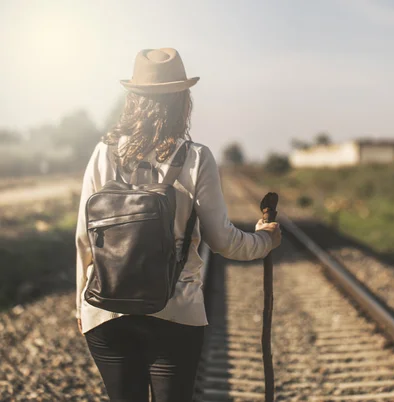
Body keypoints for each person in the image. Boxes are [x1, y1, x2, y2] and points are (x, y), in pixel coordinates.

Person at [75, 48, 282, 402]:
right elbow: (223, 241)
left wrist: (81, 305)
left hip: (106, 310)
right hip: (174, 311)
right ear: (183, 101)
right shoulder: (196, 157)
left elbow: (85, 238)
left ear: (134, 99)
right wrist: (265, 240)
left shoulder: (103, 152)